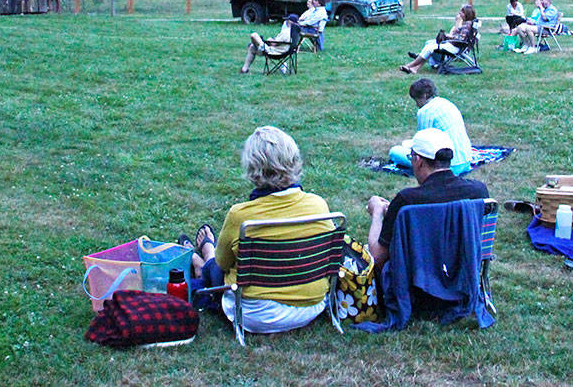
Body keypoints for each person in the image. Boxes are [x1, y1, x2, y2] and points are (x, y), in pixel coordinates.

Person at [186, 126, 334, 334]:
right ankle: (204, 258)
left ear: (252, 167)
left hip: (255, 314)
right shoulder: (318, 206)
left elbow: (224, 265)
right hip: (312, 307)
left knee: (216, 266)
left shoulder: (242, 216)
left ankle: (205, 257)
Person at [367, 128, 489, 278]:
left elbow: (377, 257)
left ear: (418, 161)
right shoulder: (478, 192)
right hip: (464, 281)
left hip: (416, 289)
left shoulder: (407, 201)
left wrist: (377, 212)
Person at [388, 78, 473, 176]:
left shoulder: (425, 111)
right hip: (466, 160)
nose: (416, 104)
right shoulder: (446, 103)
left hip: (449, 166)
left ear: (424, 96)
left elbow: (422, 145)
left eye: (416, 100)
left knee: (395, 152)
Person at [400, 4, 476, 73]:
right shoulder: (466, 23)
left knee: (430, 48)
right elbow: (457, 34)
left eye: (461, 12)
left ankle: (410, 65)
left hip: (455, 47)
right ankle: (415, 68)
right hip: (455, 45)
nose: (459, 13)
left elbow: (461, 39)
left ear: (467, 14)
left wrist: (449, 37)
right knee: (429, 44)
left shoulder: (467, 25)